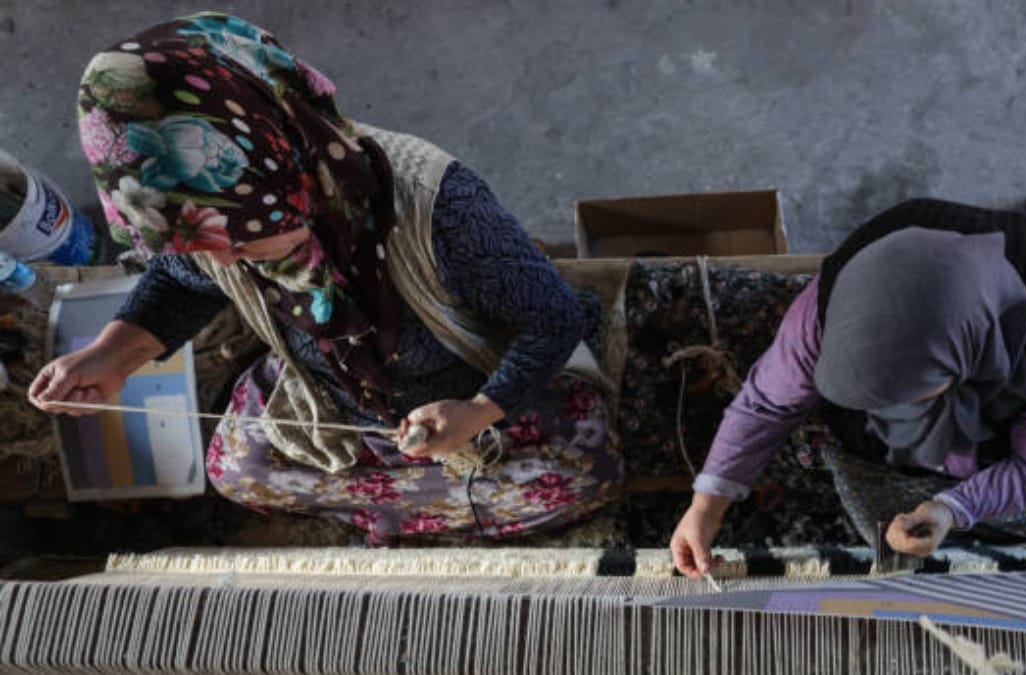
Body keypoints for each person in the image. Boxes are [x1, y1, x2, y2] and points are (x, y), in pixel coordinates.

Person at [29, 13, 621, 543]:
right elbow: (185, 280)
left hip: (470, 394)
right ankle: (424, 505)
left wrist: (479, 410)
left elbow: (555, 319)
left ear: (284, 166)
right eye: (206, 245)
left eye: (241, 242)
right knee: (234, 470)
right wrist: (110, 357)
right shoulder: (215, 219)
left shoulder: (437, 205)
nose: (227, 263)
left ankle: (402, 507)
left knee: (579, 473)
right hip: (334, 401)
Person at [671, 198, 1026, 577]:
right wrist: (706, 507)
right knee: (878, 507)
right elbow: (767, 403)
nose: (889, 412)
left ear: (961, 360)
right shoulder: (840, 303)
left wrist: (950, 509)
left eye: (909, 394)